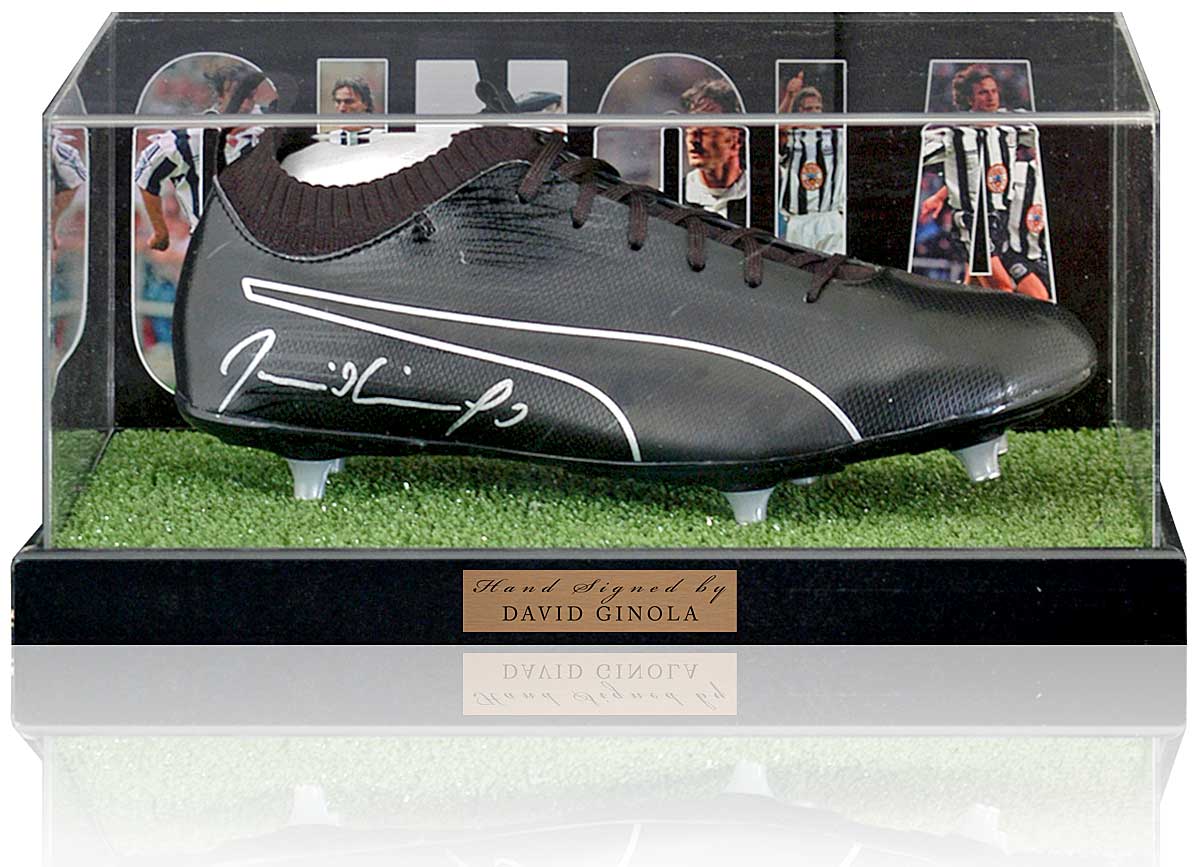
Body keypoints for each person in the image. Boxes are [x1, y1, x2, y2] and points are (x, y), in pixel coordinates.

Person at [917, 64, 1051, 300]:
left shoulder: (1011, 129)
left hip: (1000, 220)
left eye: (993, 91)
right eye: (983, 92)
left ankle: (951, 312)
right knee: (1002, 288)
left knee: (973, 288)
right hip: (973, 221)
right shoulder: (955, 136)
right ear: (970, 99)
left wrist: (939, 196)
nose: (991, 97)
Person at [134, 66, 272, 250]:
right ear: (220, 96)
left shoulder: (271, 127)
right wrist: (160, 232)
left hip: (264, 242)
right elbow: (146, 173)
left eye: (248, 95)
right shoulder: (190, 139)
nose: (244, 103)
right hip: (212, 244)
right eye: (236, 95)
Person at [777, 74, 846, 254]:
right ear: (799, 111)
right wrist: (789, 96)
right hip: (800, 220)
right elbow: (776, 127)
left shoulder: (837, 137)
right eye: (809, 109)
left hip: (830, 218)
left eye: (818, 108)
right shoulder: (792, 138)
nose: (814, 112)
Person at [680, 78, 747, 224]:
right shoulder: (672, 195)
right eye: (689, 129)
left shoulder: (767, 196)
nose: (693, 139)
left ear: (737, 138)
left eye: (705, 129)